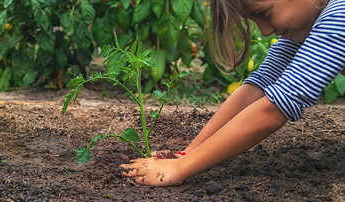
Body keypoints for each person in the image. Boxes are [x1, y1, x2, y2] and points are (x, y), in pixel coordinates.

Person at [120, 0, 345, 186]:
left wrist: (179, 169)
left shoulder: (340, 14)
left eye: (264, 13)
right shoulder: (309, 21)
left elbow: (276, 107)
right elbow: (259, 86)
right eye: (255, 20)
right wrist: (186, 154)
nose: (265, 30)